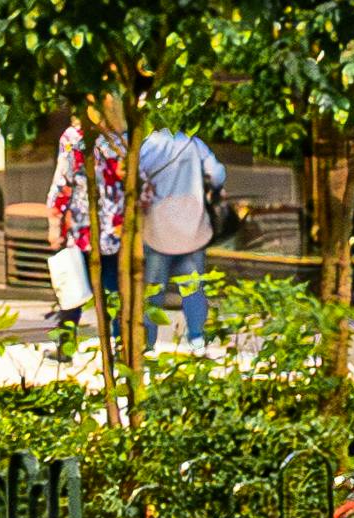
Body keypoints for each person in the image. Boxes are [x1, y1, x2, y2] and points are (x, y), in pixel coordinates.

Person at [140, 124, 226, 349]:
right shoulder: (194, 143)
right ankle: (197, 337)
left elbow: (135, 178)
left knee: (154, 290)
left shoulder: (149, 145)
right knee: (193, 287)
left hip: (159, 229)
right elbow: (217, 174)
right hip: (192, 228)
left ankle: (148, 343)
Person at [47, 106, 124, 355]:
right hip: (117, 227)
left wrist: (55, 221)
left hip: (84, 227)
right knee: (114, 288)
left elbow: (63, 182)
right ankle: (120, 347)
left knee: (73, 290)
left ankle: (65, 349)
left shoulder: (74, 138)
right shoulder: (123, 139)